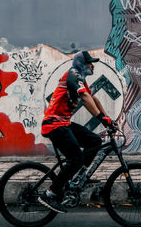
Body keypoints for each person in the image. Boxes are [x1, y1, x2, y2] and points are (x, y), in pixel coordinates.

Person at [38, 51, 114, 213]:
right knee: (75, 158)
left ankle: (78, 177)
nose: (93, 65)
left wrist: (108, 120)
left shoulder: (81, 80)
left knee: (94, 141)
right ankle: (50, 194)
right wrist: (102, 118)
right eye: (90, 63)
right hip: (54, 125)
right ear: (82, 64)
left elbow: (93, 99)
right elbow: (85, 98)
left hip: (63, 123)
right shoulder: (72, 74)